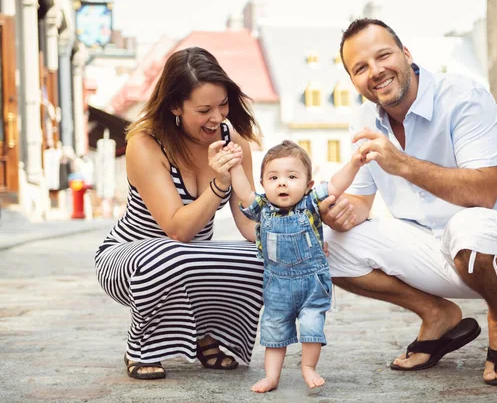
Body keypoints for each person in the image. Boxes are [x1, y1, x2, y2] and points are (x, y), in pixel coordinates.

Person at [318, 19, 497, 386]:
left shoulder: (463, 97)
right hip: (431, 247)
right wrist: (339, 213)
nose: (375, 72)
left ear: (406, 54)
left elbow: (483, 194)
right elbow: (360, 201)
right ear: (352, 80)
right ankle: (438, 315)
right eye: (360, 68)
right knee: (322, 246)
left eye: (383, 56)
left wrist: (403, 164)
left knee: (469, 226)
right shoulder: (365, 120)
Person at [95, 47, 264, 380]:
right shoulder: (146, 144)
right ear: (175, 105)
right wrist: (218, 183)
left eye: (223, 104)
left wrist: (287, 240)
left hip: (189, 256)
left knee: (263, 258)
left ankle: (207, 334)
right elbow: (177, 230)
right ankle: (141, 347)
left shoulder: (236, 143)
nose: (217, 117)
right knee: (169, 254)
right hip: (132, 260)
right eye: (204, 110)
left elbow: (248, 223)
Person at [227, 140, 363, 392]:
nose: (282, 183)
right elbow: (244, 192)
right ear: (263, 184)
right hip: (277, 284)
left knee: (312, 325)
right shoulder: (262, 208)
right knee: (274, 330)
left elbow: (335, 185)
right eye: (273, 177)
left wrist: (354, 163)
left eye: (291, 176)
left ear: (308, 185)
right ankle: (271, 376)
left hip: (312, 282)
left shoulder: (310, 203)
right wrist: (235, 166)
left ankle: (308, 367)